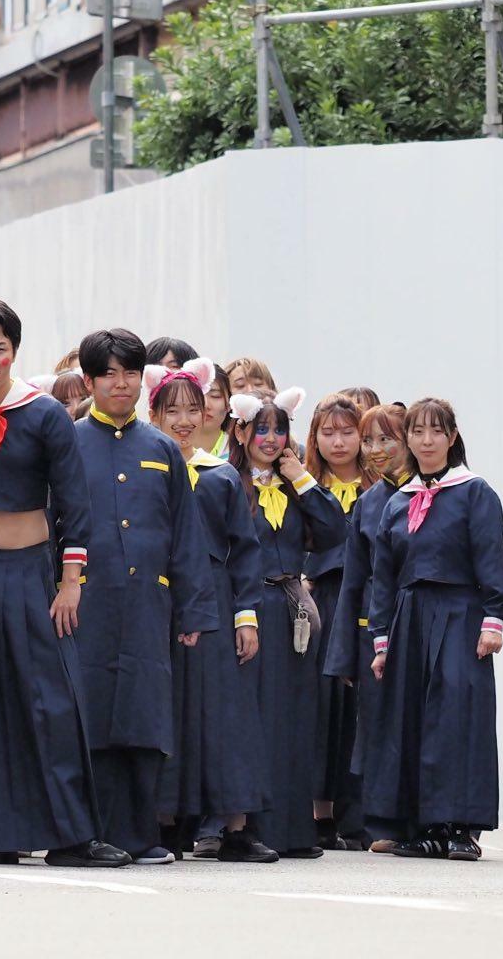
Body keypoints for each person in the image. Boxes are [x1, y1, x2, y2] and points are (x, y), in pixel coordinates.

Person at [0, 298, 127, 868]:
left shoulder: (46, 415)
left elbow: (75, 505)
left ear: (15, 350)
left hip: (31, 572)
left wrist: (71, 581)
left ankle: (70, 835)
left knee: (50, 703)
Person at [71, 330, 214, 864]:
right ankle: (90, 833)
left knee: (144, 718)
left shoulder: (160, 448)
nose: (120, 383)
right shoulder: (67, 440)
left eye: (130, 372)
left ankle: (142, 834)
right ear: (89, 381)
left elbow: (186, 535)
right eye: (108, 373)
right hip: (86, 604)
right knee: (93, 718)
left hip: (149, 605)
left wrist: (194, 609)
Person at [366, 399, 503, 861]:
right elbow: (384, 577)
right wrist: (382, 639)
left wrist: (493, 621)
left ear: (452, 437)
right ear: (407, 438)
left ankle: (459, 827)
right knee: (409, 719)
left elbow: (491, 560)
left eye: (437, 432)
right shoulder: (397, 501)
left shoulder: (475, 493)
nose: (427, 441)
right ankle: (421, 826)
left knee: (455, 717)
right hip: (410, 616)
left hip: (460, 613)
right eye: (418, 432)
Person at [146, 360, 274, 862]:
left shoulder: (219, 475)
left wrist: (247, 615)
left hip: (218, 602)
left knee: (225, 715)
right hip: (161, 601)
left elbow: (246, 551)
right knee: (168, 711)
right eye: (170, 410)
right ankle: (165, 824)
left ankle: (233, 825)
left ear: (210, 415)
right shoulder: (147, 467)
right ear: (151, 413)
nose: (182, 419)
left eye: (192, 409)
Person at [229, 388, 345, 859]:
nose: (272, 439)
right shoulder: (230, 482)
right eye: (261, 429)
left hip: (294, 606)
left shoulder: (293, 487)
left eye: (280, 430)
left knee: (298, 717)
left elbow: (336, 531)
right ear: (240, 432)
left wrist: (301, 478)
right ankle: (249, 828)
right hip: (252, 606)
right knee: (259, 718)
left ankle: (295, 830)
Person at [323, 403, 410, 852]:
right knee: (374, 729)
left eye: (387, 439)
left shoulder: (430, 495)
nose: (377, 450)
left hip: (418, 625)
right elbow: (352, 583)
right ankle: (381, 823)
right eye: (370, 440)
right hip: (370, 632)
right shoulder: (370, 503)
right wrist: (343, 655)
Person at [304, 392, 368, 849]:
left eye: (349, 431)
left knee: (361, 708)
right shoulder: (304, 484)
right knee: (321, 706)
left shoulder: (381, 487)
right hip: (321, 598)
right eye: (328, 432)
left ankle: (361, 812)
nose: (339, 441)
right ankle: (317, 810)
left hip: (364, 602)